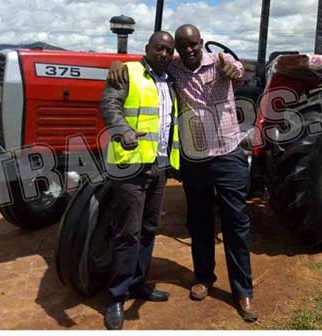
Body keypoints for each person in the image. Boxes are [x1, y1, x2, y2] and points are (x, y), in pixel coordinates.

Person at [108, 24, 257, 322]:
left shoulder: (220, 62)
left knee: (235, 224)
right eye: (182, 46)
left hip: (228, 154)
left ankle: (243, 291)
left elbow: (241, 70)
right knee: (199, 222)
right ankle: (203, 277)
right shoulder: (174, 69)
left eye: (193, 44)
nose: (188, 50)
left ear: (201, 43)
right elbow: (146, 64)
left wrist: (235, 69)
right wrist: (117, 63)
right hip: (195, 160)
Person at [100, 31, 179, 330]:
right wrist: (123, 131)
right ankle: (116, 297)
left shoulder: (170, 80)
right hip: (131, 167)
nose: (164, 54)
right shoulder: (128, 72)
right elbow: (109, 105)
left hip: (159, 167)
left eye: (169, 50)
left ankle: (137, 283)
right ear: (147, 48)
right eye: (159, 48)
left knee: (148, 229)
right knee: (128, 233)